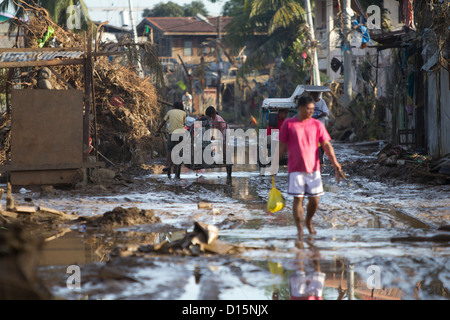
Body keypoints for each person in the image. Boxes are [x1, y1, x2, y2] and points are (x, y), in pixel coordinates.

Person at [279, 96, 342, 241]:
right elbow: (282, 146)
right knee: (298, 200)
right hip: (295, 169)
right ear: (300, 108)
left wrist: (335, 163)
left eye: (313, 110)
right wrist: (274, 163)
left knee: (315, 201)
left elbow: (326, 145)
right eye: (308, 109)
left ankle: (308, 220)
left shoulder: (317, 125)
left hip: (314, 168)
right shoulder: (289, 124)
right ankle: (300, 228)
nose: (311, 112)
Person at [156, 101, 186, 172]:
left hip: (172, 133)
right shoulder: (184, 113)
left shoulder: (170, 112)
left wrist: (158, 129)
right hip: (181, 133)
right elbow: (183, 123)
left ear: (174, 106)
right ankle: (181, 157)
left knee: (169, 149)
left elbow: (164, 122)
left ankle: (169, 166)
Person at [311, 92, 329, 164]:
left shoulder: (322, 102)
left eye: (316, 94)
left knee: (323, 143)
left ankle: (321, 157)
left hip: (320, 126)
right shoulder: (310, 102)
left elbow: (326, 112)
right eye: (313, 94)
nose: (315, 96)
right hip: (311, 127)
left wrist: (323, 114)